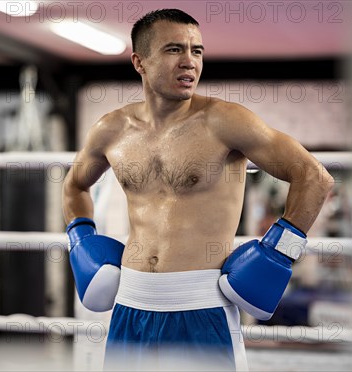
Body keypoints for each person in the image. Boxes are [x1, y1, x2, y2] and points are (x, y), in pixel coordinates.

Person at [62, 8, 334, 371]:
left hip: (201, 306)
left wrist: (279, 253)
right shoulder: (111, 129)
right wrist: (81, 241)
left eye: (197, 51)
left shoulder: (226, 121)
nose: (189, 62)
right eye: (174, 50)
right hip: (131, 302)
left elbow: (314, 177)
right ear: (139, 61)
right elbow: (75, 185)